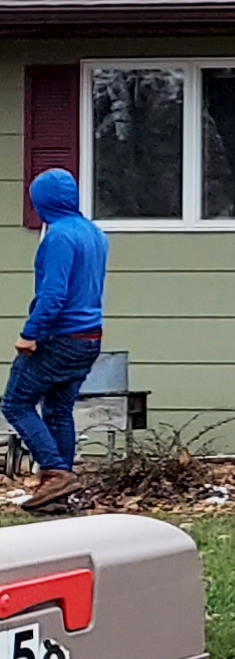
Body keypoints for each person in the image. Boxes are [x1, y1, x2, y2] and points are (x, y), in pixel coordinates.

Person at [10, 166, 109, 507]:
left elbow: (53, 295)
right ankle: (58, 496)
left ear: (43, 202)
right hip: (89, 339)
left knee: (16, 403)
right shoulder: (94, 234)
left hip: (59, 337)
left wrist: (30, 334)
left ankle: (55, 473)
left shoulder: (59, 237)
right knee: (57, 412)